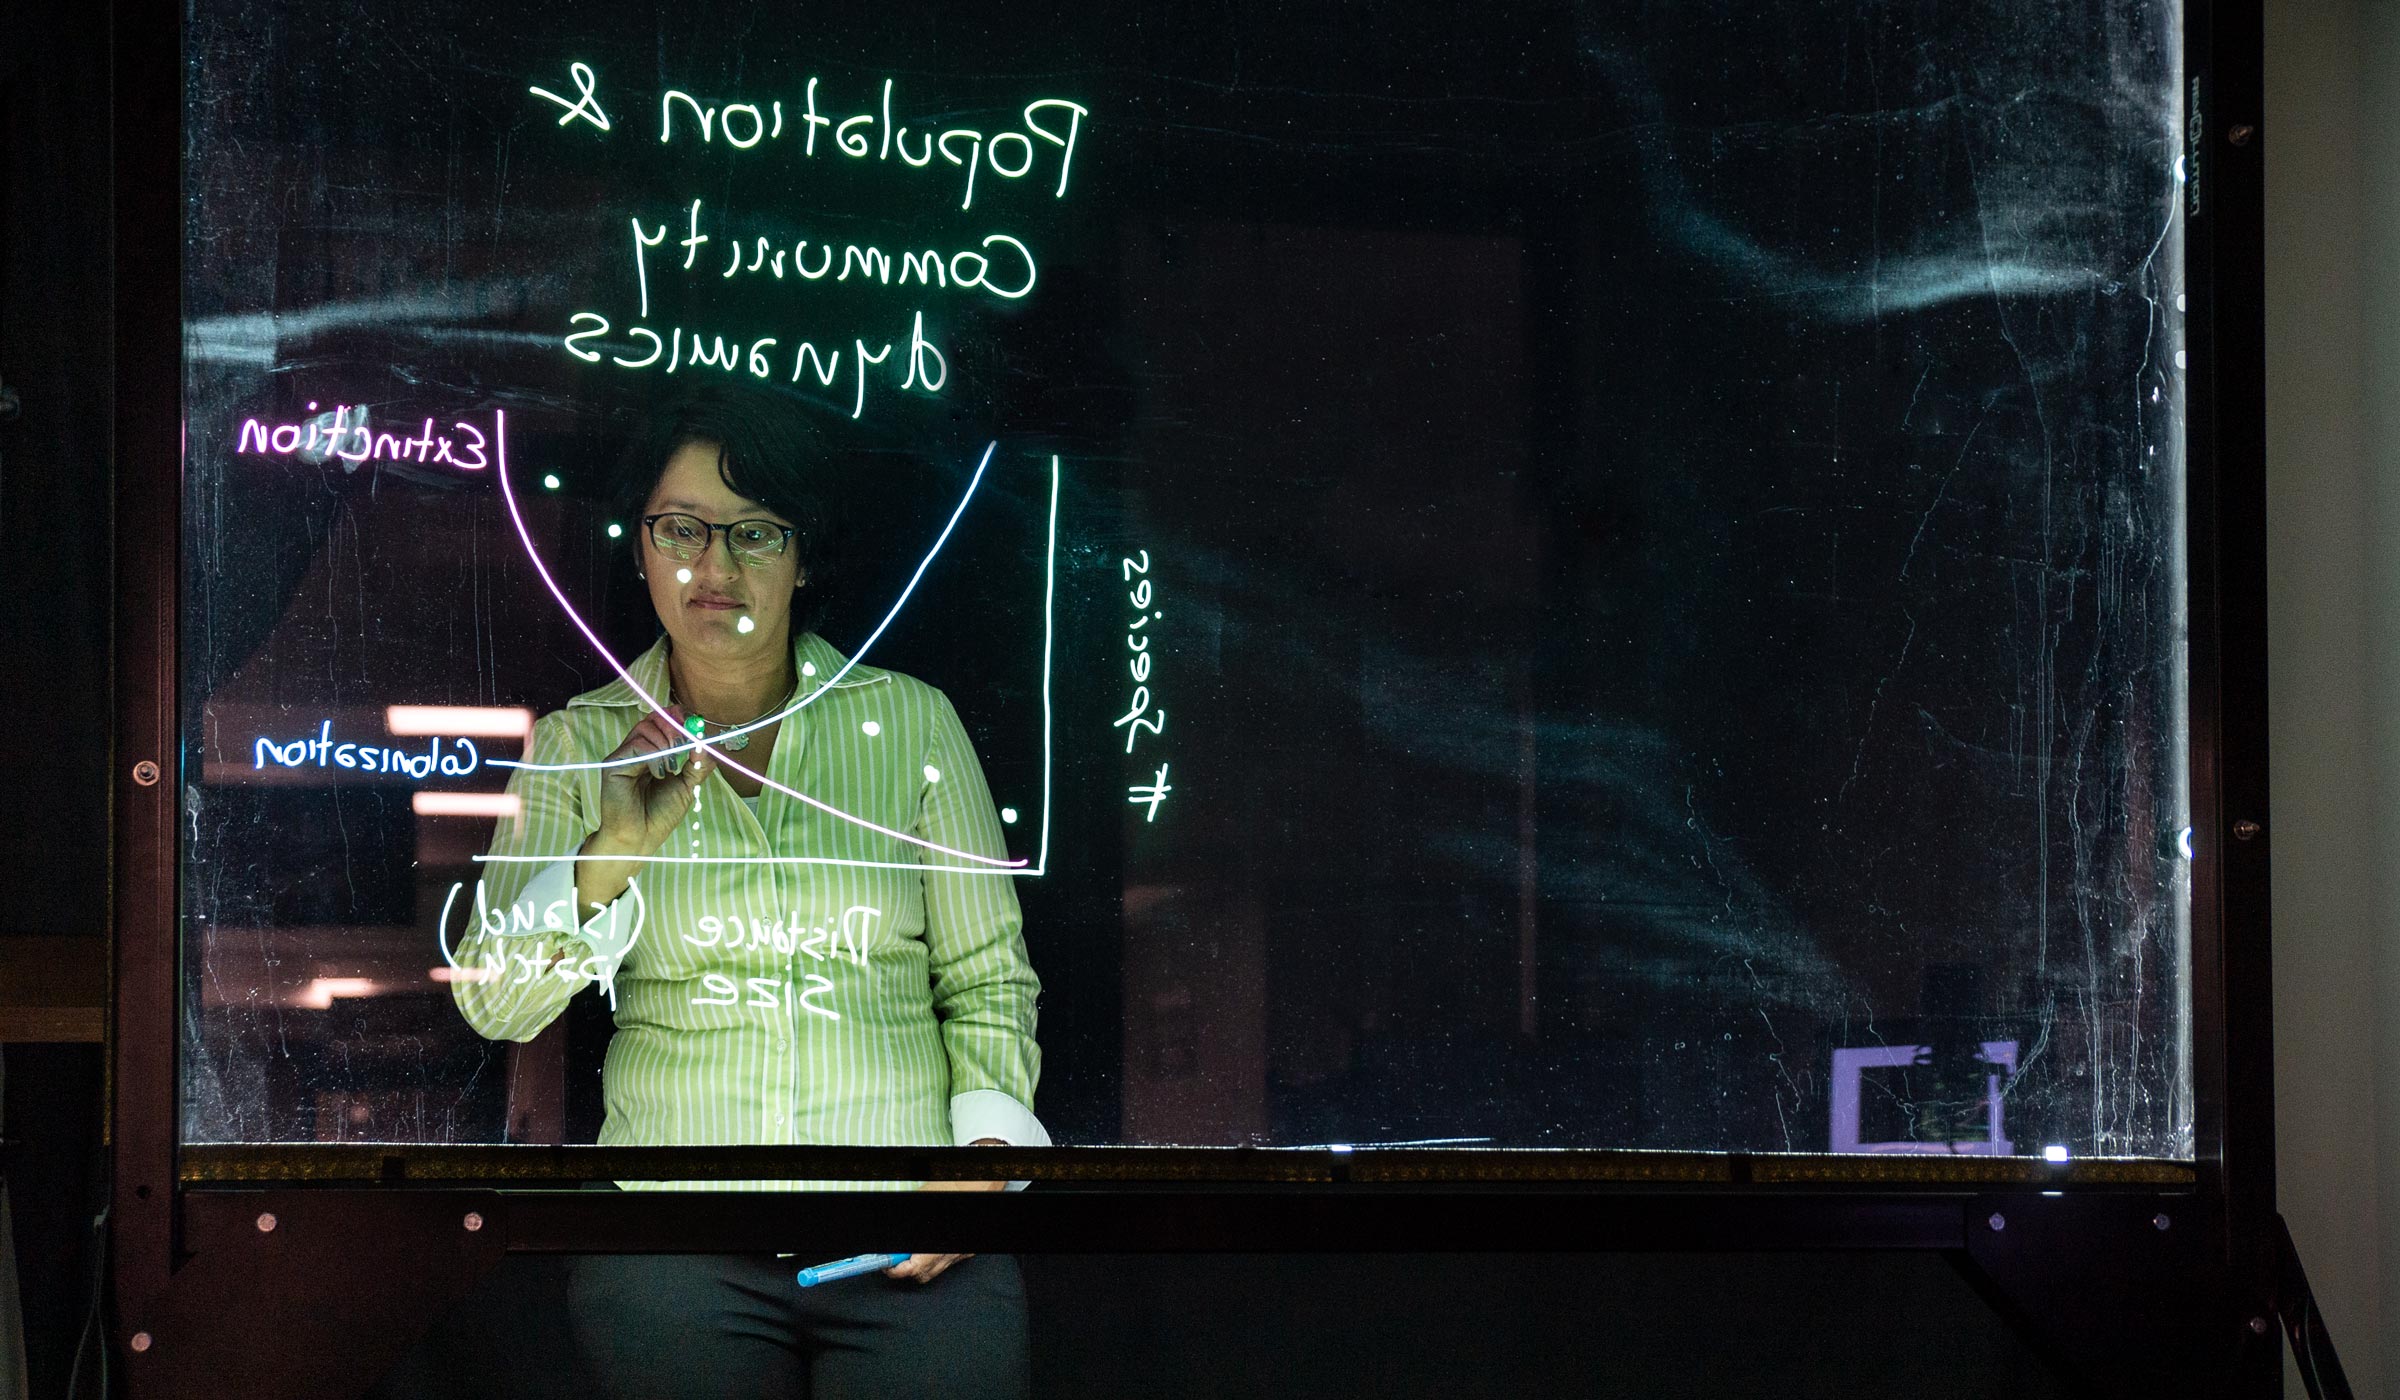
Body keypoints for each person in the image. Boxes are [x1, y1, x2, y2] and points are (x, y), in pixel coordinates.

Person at [449, 387, 1043, 1399]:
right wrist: (618, 844)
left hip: (906, 1235)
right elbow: (497, 999)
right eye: (681, 527)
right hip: (672, 1240)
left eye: (754, 533)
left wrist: (979, 1172)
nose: (713, 566)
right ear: (640, 545)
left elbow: (988, 978)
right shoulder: (579, 742)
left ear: (804, 556)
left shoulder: (910, 724)